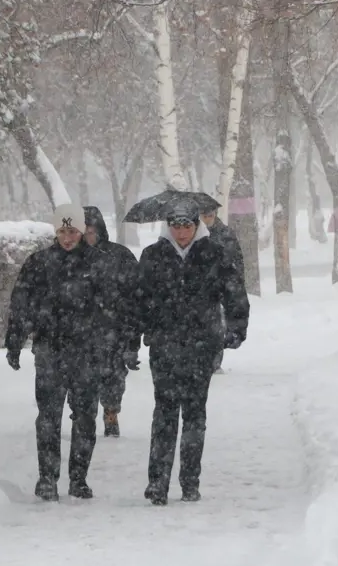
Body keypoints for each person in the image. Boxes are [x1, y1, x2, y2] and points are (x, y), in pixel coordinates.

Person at [4, 203, 120, 502]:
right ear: (55, 232)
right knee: (48, 417)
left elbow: (112, 310)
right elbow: (21, 305)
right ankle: (47, 478)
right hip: (50, 350)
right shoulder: (39, 262)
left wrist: (113, 346)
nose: (68, 237)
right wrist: (15, 341)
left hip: (87, 352)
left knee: (84, 417)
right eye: (62, 231)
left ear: (82, 231)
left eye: (73, 231)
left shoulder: (99, 264)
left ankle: (78, 479)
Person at [138, 198, 250, 506]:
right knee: (164, 413)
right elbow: (137, 298)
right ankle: (157, 482)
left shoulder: (214, 254)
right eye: (175, 226)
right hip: (164, 345)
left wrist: (236, 326)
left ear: (196, 225)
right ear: (167, 227)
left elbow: (234, 291)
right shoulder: (153, 256)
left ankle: (190, 481)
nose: (181, 232)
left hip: (202, 345)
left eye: (187, 225)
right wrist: (135, 334)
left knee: (194, 415)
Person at [83, 206, 141, 438]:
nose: (87, 236)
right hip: (81, 333)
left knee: (113, 378)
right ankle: (84, 418)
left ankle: (111, 413)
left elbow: (136, 298)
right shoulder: (68, 258)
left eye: (91, 231)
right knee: (82, 381)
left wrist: (132, 340)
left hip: (114, 331)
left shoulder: (120, 256)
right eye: (83, 231)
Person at [199, 207, 245, 373]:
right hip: (200, 288)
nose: (207, 218)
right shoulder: (194, 235)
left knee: (218, 325)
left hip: (220, 287)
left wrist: (236, 285)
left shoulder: (225, 234)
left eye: (209, 215)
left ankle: (214, 361)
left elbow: (236, 260)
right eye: (204, 215)